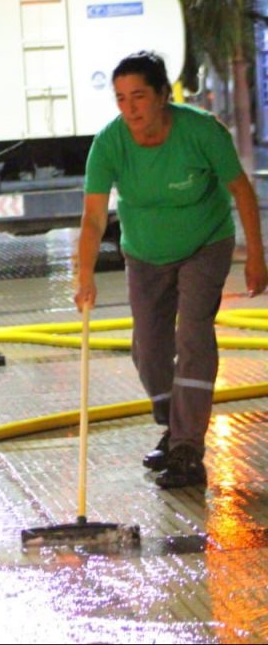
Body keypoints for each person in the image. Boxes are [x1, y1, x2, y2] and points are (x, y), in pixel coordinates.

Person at [75, 51, 267, 489]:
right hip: (144, 253)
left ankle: (187, 449)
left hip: (205, 244)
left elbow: (241, 190)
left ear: (163, 94)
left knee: (193, 336)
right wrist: (84, 275)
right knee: (148, 349)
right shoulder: (109, 143)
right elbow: (93, 218)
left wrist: (256, 256)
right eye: (121, 98)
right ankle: (172, 424)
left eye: (139, 96)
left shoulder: (201, 132)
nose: (130, 109)